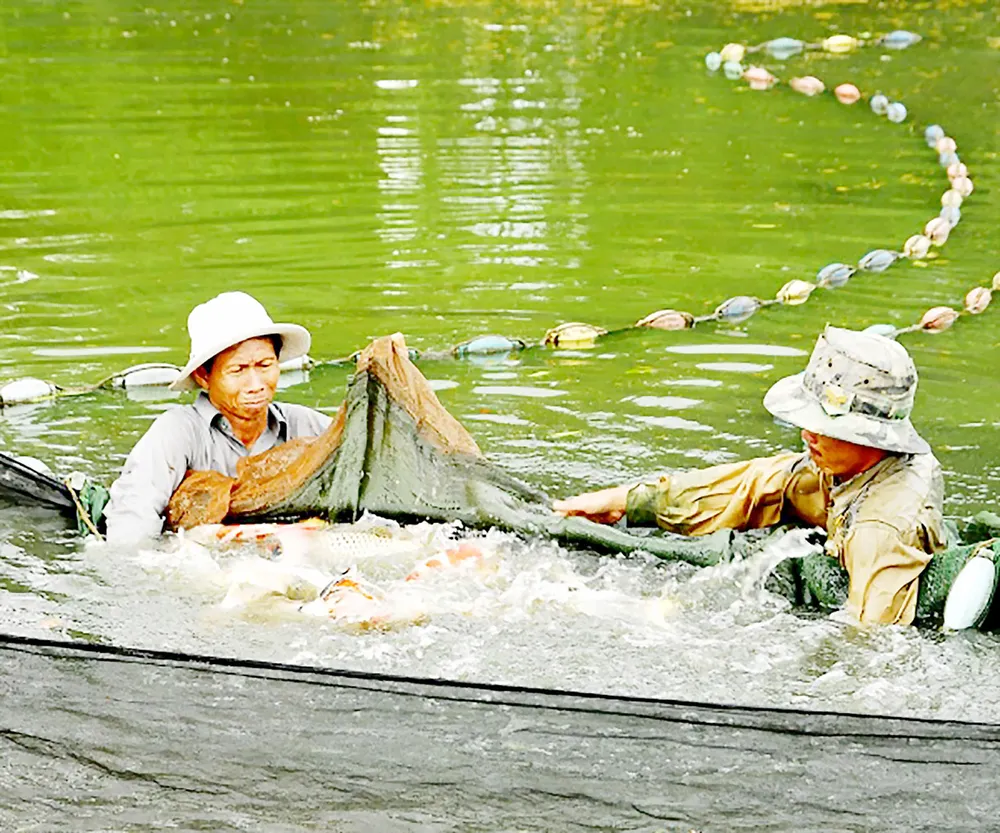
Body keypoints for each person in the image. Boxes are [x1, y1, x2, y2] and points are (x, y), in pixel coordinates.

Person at [553, 326, 945, 626]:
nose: (807, 433)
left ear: (867, 435)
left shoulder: (883, 527)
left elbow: (870, 641)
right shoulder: (844, 462)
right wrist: (627, 502)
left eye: (824, 424)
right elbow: (755, 484)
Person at [104, 292, 332, 543]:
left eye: (265, 365)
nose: (256, 384)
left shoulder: (307, 425)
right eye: (239, 370)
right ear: (204, 375)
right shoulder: (178, 432)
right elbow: (132, 519)